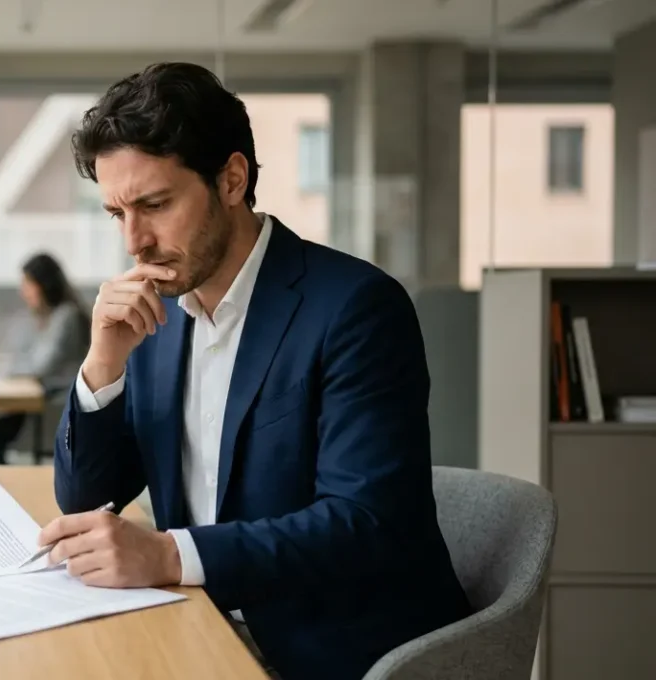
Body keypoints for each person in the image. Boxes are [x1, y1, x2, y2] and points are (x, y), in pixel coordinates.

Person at [36, 62, 472, 680]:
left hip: (333, 648)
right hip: (198, 627)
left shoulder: (356, 308)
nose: (135, 241)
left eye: (155, 204)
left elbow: (365, 523)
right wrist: (103, 362)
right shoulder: (154, 315)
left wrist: (167, 554)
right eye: (116, 213)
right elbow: (87, 499)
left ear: (232, 179)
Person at [0, 253, 90, 465]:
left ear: (43, 284)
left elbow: (39, 366)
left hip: (53, 408)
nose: (23, 291)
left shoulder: (66, 317)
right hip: (41, 403)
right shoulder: (47, 317)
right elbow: (25, 357)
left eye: (27, 283)